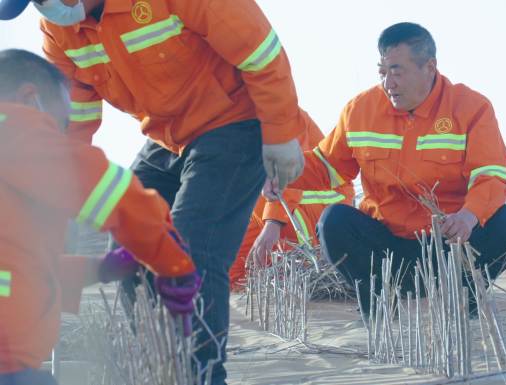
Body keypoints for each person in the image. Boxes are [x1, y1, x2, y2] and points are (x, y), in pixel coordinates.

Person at [0, 0, 307, 382]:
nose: (46, 7)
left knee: (190, 247)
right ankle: (157, 370)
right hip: (166, 138)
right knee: (128, 254)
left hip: (234, 121)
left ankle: (200, 376)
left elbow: (259, 49)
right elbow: (66, 127)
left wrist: (280, 133)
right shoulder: (57, 30)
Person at [265, 22, 506, 316]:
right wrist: (282, 173)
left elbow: (491, 175)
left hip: (449, 246)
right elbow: (328, 168)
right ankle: (379, 307)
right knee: (333, 221)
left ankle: (463, 297)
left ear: (430, 67)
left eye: (397, 71)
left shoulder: (471, 108)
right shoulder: (360, 109)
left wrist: (468, 217)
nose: (388, 82)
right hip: (386, 248)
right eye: (382, 72)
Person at [0, 49, 198, 385]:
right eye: (60, 124)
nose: (61, 137)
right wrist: (173, 264)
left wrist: (102, 268)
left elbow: (20, 268)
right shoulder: (12, 129)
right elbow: (116, 195)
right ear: (30, 100)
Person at [229, 111, 355, 290]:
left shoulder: (281, 113)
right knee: (234, 279)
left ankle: (306, 271)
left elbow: (291, 173)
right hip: (260, 204)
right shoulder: (221, 118)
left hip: (320, 197)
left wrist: (273, 222)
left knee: (286, 274)